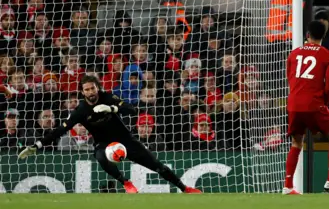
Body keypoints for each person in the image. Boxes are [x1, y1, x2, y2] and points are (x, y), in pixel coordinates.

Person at [17, 76, 202, 194]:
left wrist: (112, 108)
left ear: (98, 87)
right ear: (82, 92)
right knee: (100, 157)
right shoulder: (80, 110)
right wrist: (37, 145)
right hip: (104, 144)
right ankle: (126, 183)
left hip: (125, 140)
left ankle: (185, 188)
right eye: (87, 89)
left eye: (93, 88)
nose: (90, 92)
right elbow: (60, 130)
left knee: (158, 166)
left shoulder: (108, 97)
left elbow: (131, 109)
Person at [283, 20, 329, 195]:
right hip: (315, 103)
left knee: (296, 142)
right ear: (323, 36)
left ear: (307, 35)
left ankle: (288, 186)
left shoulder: (293, 54)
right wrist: (324, 102)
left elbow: (289, 78)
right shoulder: (328, 56)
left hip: (294, 103)